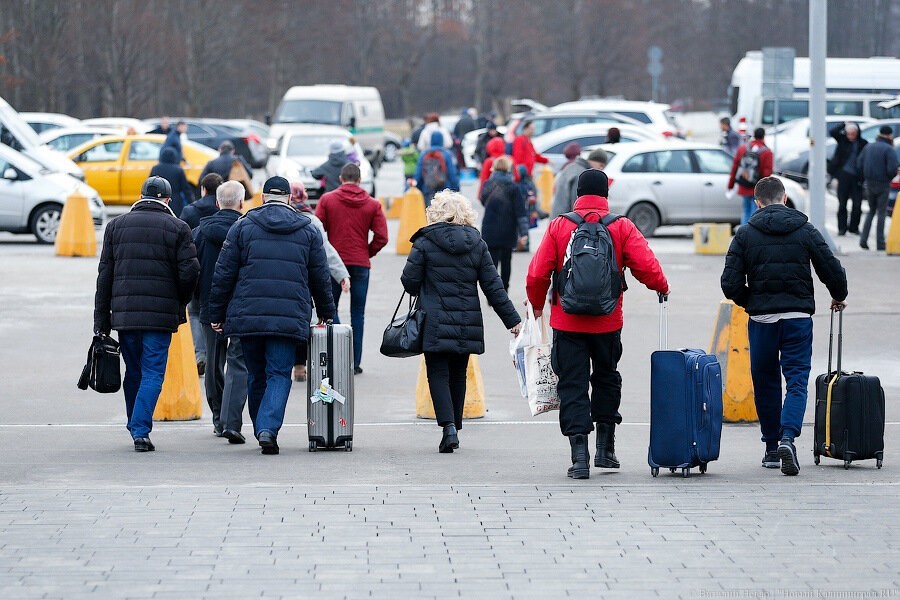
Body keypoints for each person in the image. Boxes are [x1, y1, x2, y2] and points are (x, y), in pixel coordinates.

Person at [526, 169, 669, 479]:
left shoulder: (560, 226)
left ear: (578, 193)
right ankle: (606, 449)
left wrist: (536, 307)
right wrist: (662, 286)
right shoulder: (621, 226)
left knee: (572, 384)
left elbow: (537, 274)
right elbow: (646, 265)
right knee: (606, 378)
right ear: (606, 194)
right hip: (607, 321)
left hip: (567, 321)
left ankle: (579, 456)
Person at [721, 176, 848, 476]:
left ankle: (770, 449)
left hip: (762, 320)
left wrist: (750, 301)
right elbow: (830, 267)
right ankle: (788, 438)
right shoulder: (804, 229)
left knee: (765, 382)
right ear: (785, 198)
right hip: (797, 319)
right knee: (797, 381)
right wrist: (838, 295)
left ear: (757, 202)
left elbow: (729, 283)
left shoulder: (745, 233)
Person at [208, 176, 335, 455]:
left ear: (262, 197)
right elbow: (320, 277)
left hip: (248, 317)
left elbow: (223, 274)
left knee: (256, 375)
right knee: (279, 373)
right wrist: (327, 313)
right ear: (289, 198)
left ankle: (261, 428)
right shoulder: (308, 230)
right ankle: (268, 428)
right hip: (288, 317)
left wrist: (216, 314)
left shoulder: (241, 227)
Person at [401, 190, 522, 453]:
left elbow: (409, 282)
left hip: (434, 319)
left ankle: (448, 428)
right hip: (467, 320)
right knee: (458, 372)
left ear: (435, 213)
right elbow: (494, 287)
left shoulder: (424, 242)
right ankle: (454, 425)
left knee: (438, 372)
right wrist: (512, 321)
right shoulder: (477, 243)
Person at [93, 176, 200, 452]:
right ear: (167, 200)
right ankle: (140, 429)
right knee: (153, 372)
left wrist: (101, 322)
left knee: (134, 371)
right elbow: (190, 272)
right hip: (159, 317)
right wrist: (180, 300)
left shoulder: (115, 226)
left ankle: (134, 425)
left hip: (126, 317)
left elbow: (104, 277)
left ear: (140, 197)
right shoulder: (179, 228)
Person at [315, 163, 388, 374]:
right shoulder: (372, 204)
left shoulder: (327, 200)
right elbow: (382, 237)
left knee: (330, 310)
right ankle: (354, 362)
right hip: (360, 264)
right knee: (358, 313)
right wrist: (367, 252)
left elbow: (318, 233)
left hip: (334, 265)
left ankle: (338, 354)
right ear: (359, 179)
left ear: (340, 179)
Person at [192, 181, 248, 441]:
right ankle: (230, 419)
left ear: (216, 203)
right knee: (238, 362)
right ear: (241, 203)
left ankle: (217, 418)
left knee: (214, 362)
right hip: (239, 306)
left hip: (207, 304)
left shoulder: (199, 233)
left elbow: (191, 269)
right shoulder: (247, 231)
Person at [289, 180, 350, 382]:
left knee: (295, 322)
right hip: (307, 281)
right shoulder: (312, 221)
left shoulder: (280, 218)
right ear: (304, 196)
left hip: (288, 279)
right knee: (311, 321)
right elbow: (327, 251)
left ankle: (298, 366)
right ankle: (314, 364)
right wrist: (341, 274)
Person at [180, 173, 224, 378]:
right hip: (221, 270)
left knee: (195, 312)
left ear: (203, 189)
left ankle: (201, 353)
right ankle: (217, 357)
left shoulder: (189, 211)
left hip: (197, 267)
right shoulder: (225, 210)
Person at [479, 156, 528, 291]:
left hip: (490, 228)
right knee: (506, 262)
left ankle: (492, 291)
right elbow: (520, 212)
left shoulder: (487, 184)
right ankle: (504, 290)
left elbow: (483, 201)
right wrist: (524, 233)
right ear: (508, 168)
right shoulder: (514, 187)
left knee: (491, 263)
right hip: (508, 228)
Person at [856, 125, 899, 251]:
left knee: (871, 211)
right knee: (881, 212)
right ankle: (880, 243)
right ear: (890, 135)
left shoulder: (868, 147)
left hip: (869, 183)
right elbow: (892, 168)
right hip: (883, 184)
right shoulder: (889, 149)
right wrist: (888, 177)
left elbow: (859, 163)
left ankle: (863, 240)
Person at [728, 127, 773, 226]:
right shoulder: (767, 152)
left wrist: (730, 185)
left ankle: (744, 234)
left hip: (744, 185)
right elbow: (767, 173)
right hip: (757, 188)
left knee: (745, 211)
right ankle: (752, 234)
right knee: (755, 211)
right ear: (763, 136)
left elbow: (735, 168)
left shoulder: (743, 149)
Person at [828, 122, 868, 236]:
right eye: (848, 134)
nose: (850, 136)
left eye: (853, 134)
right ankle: (842, 228)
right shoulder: (842, 140)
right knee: (842, 204)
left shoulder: (863, 143)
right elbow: (833, 132)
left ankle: (854, 227)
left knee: (857, 204)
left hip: (857, 178)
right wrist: (843, 124)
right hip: (843, 176)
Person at [551, 147, 608, 219]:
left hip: (558, 217)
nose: (601, 169)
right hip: (566, 219)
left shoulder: (572, 167)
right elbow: (576, 202)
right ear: (593, 160)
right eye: (601, 165)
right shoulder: (581, 174)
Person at [414, 131, 460, 207]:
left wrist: (418, 189)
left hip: (428, 190)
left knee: (430, 214)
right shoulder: (446, 154)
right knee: (444, 215)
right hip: (445, 191)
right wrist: (456, 189)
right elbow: (452, 174)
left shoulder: (424, 154)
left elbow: (418, 174)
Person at [150, 146, 194, 217]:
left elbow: (150, 184)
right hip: (175, 201)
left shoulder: (155, 168)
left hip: (158, 200)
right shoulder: (178, 170)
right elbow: (186, 189)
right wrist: (191, 203)